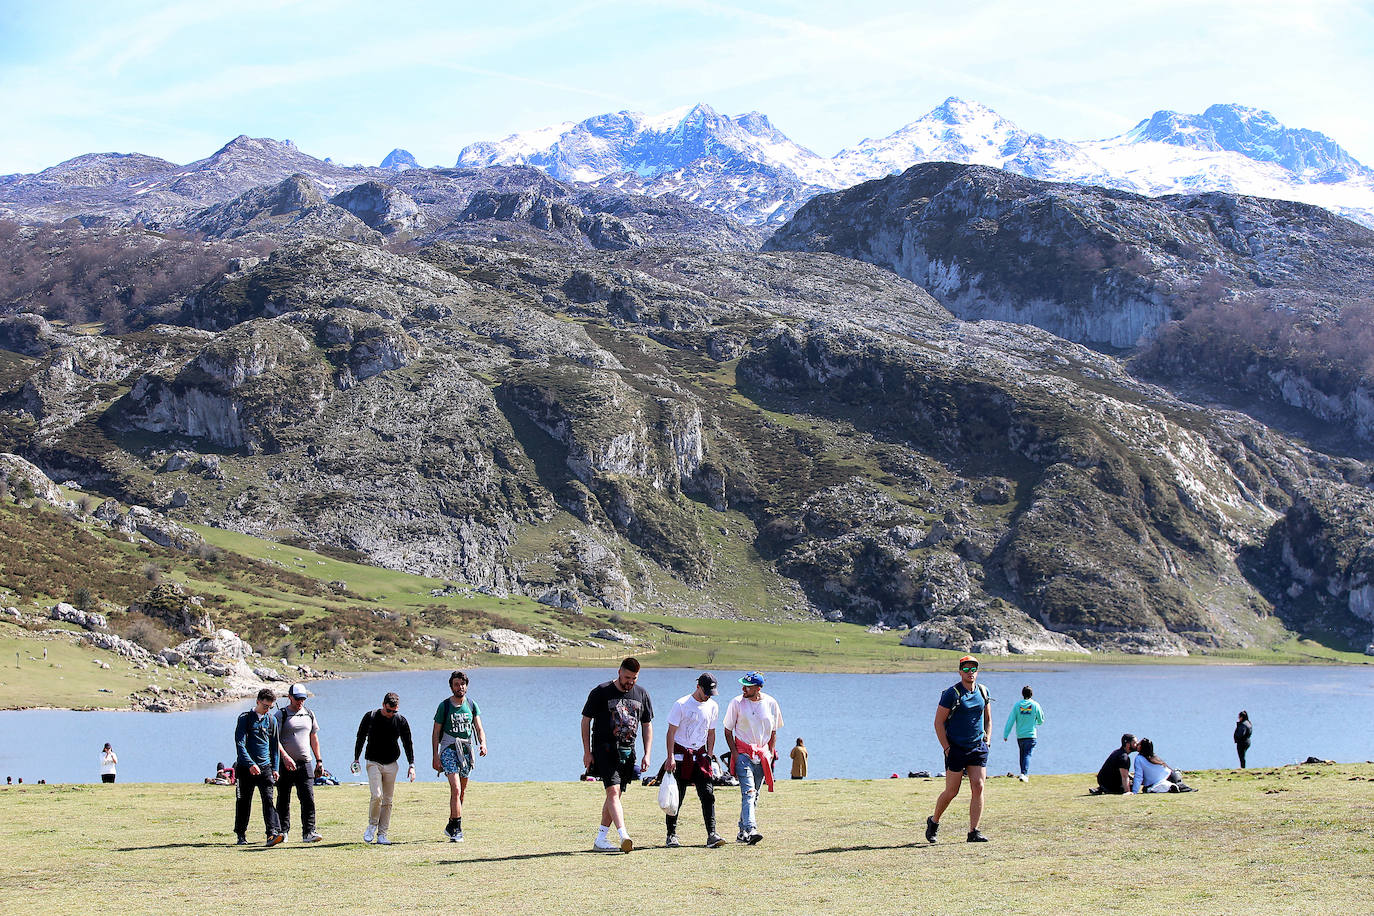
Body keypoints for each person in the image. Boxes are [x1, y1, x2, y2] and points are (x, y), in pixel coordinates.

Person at [580, 656, 653, 852]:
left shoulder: (641, 694)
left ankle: (601, 839)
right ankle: (624, 836)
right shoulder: (601, 692)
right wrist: (587, 752)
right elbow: (585, 721)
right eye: (627, 677)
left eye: (634, 678)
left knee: (615, 795)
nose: (630, 682)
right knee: (612, 792)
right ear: (619, 671)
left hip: (628, 753)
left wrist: (647, 753)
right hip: (604, 750)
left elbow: (647, 725)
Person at [925, 655, 992, 844]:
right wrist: (946, 748)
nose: (970, 673)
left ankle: (974, 831)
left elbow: (988, 718)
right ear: (960, 671)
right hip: (956, 748)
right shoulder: (952, 693)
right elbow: (938, 722)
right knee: (951, 791)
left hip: (977, 747)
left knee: (978, 787)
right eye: (967, 669)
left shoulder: (983, 691)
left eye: (974, 669)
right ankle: (934, 821)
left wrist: (987, 739)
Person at [663, 672, 725, 849]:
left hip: (701, 757)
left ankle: (712, 834)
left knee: (708, 794)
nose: (707, 696)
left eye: (710, 693)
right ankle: (671, 835)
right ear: (698, 686)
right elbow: (671, 733)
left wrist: (710, 755)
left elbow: (711, 732)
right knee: (676, 797)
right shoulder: (681, 704)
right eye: (706, 692)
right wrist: (670, 757)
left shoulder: (713, 706)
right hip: (681, 757)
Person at [722, 670, 783, 845]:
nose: (743, 689)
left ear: (758, 688)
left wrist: (770, 752)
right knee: (748, 792)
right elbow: (727, 731)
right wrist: (734, 753)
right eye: (743, 685)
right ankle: (751, 828)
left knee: (754, 795)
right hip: (743, 754)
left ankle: (742, 832)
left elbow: (774, 731)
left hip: (762, 755)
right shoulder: (736, 703)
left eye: (747, 686)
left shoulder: (771, 703)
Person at [352, 692, 416, 845]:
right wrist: (356, 758)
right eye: (389, 710)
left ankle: (382, 834)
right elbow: (360, 737)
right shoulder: (371, 717)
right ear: (383, 705)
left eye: (394, 711)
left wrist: (411, 764)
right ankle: (372, 825)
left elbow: (408, 743)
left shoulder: (400, 720)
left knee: (388, 800)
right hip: (373, 761)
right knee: (377, 795)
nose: (391, 714)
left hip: (392, 764)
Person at [431, 670, 487, 843]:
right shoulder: (444, 706)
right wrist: (435, 756)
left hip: (466, 751)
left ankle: (451, 823)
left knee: (461, 792)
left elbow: (478, 728)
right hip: (448, 748)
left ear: (466, 686)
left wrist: (483, 743)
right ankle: (457, 830)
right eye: (456, 684)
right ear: (451, 686)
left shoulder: (471, 705)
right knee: (455, 789)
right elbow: (436, 732)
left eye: (462, 684)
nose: (460, 687)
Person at [233, 687, 285, 847]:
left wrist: (275, 768)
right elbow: (240, 744)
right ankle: (241, 834)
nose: (267, 709)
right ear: (257, 702)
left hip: (265, 767)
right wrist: (250, 764)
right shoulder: (245, 718)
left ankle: (272, 834)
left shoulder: (272, 721)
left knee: (268, 800)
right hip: (245, 768)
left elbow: (274, 747)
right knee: (243, 801)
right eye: (264, 706)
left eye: (270, 707)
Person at [275, 683, 324, 843]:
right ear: (290, 697)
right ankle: (283, 831)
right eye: (297, 699)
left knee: (308, 798)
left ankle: (309, 832)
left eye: (302, 699)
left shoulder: (309, 714)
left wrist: (319, 760)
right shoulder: (281, 715)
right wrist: (285, 757)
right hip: (285, 764)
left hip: (305, 763)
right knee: (283, 798)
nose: (300, 702)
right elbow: (274, 740)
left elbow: (313, 738)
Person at [1002, 685, 1045, 782]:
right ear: (1031, 694)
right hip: (1031, 735)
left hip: (1020, 736)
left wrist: (1006, 734)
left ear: (1022, 694)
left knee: (1022, 754)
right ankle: (1024, 774)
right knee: (1027, 754)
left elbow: (1010, 720)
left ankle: (1022, 773)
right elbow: (1041, 720)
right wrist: (1035, 722)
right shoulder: (1035, 705)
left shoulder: (1017, 705)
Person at [1131, 738, 1196, 793]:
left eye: (1139, 744)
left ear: (1142, 747)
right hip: (1172, 775)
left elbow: (1138, 776)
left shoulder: (1138, 758)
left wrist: (1134, 791)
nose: (1137, 745)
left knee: (1148, 789)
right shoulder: (1153, 756)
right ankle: (1175, 785)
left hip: (1161, 781)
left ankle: (1171, 786)